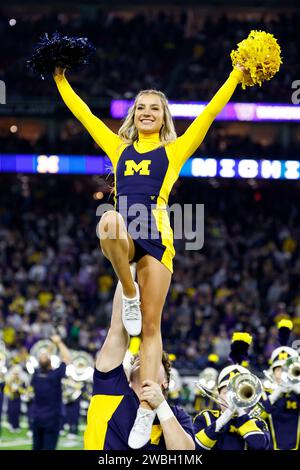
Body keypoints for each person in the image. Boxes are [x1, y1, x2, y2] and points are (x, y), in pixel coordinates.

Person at [53, 58, 246, 447]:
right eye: (140, 107)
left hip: (158, 238)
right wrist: (59, 78)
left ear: (163, 118)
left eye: (153, 108)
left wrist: (237, 74)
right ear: (133, 115)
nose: (146, 113)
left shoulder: (174, 151)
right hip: (126, 233)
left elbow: (210, 112)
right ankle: (128, 291)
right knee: (108, 222)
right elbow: (84, 114)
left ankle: (146, 408)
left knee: (152, 327)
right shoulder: (117, 147)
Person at [84, 282, 195, 450]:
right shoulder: (111, 389)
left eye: (154, 360)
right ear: (128, 378)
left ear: (165, 382)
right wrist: (128, 272)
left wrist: (160, 405)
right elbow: (116, 329)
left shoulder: (177, 415)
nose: (144, 358)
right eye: (137, 360)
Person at [194, 333, 270, 450]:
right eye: (226, 392)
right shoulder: (205, 418)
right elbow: (195, 447)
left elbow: (260, 446)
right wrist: (223, 419)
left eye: (238, 392)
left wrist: (240, 412)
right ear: (218, 395)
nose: (232, 397)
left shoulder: (257, 422)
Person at [261, 319, 300, 450]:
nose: (282, 373)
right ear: (272, 372)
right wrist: (274, 395)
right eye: (278, 369)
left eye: (286, 368)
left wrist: (297, 389)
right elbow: (256, 418)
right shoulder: (265, 391)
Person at [31, 335, 71, 450]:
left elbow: (44, 358)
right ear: (51, 362)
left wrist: (50, 346)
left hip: (37, 418)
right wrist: (58, 342)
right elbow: (67, 358)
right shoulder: (55, 375)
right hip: (52, 419)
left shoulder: (36, 375)